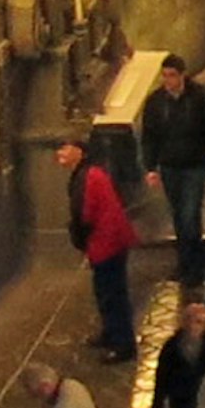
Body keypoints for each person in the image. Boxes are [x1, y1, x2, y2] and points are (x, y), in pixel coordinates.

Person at [137, 54, 205, 280]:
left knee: (189, 213)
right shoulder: (155, 103)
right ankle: (187, 261)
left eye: (172, 75)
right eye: (164, 76)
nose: (168, 81)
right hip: (170, 166)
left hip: (195, 165)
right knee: (179, 214)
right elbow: (150, 136)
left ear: (182, 75)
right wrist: (151, 166)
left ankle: (192, 263)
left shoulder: (199, 98)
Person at [59, 138, 143, 358]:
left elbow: (86, 214)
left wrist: (78, 237)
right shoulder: (89, 173)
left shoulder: (90, 176)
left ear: (80, 152)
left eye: (65, 147)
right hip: (106, 242)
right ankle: (111, 332)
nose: (60, 153)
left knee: (112, 293)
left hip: (107, 243)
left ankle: (123, 344)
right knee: (105, 291)